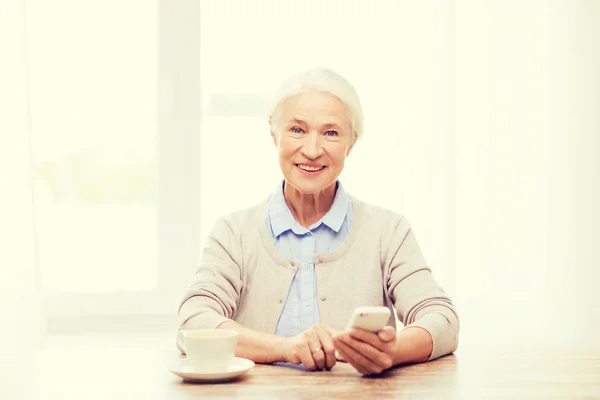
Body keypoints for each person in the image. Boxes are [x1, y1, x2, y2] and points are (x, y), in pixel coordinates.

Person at [177, 67, 459, 375]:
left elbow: (442, 319)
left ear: (351, 143)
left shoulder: (388, 231)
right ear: (274, 134)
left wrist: (393, 352)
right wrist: (288, 348)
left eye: (331, 133)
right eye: (297, 130)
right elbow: (194, 319)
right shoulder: (233, 233)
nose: (311, 150)